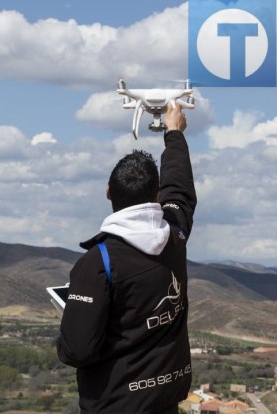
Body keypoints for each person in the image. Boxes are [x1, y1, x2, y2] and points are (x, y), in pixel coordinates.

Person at [56, 103, 196, 414]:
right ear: (156, 195)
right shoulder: (175, 236)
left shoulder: (98, 262)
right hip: (165, 399)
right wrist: (174, 134)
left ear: (108, 192)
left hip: (116, 403)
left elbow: (77, 350)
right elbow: (181, 191)